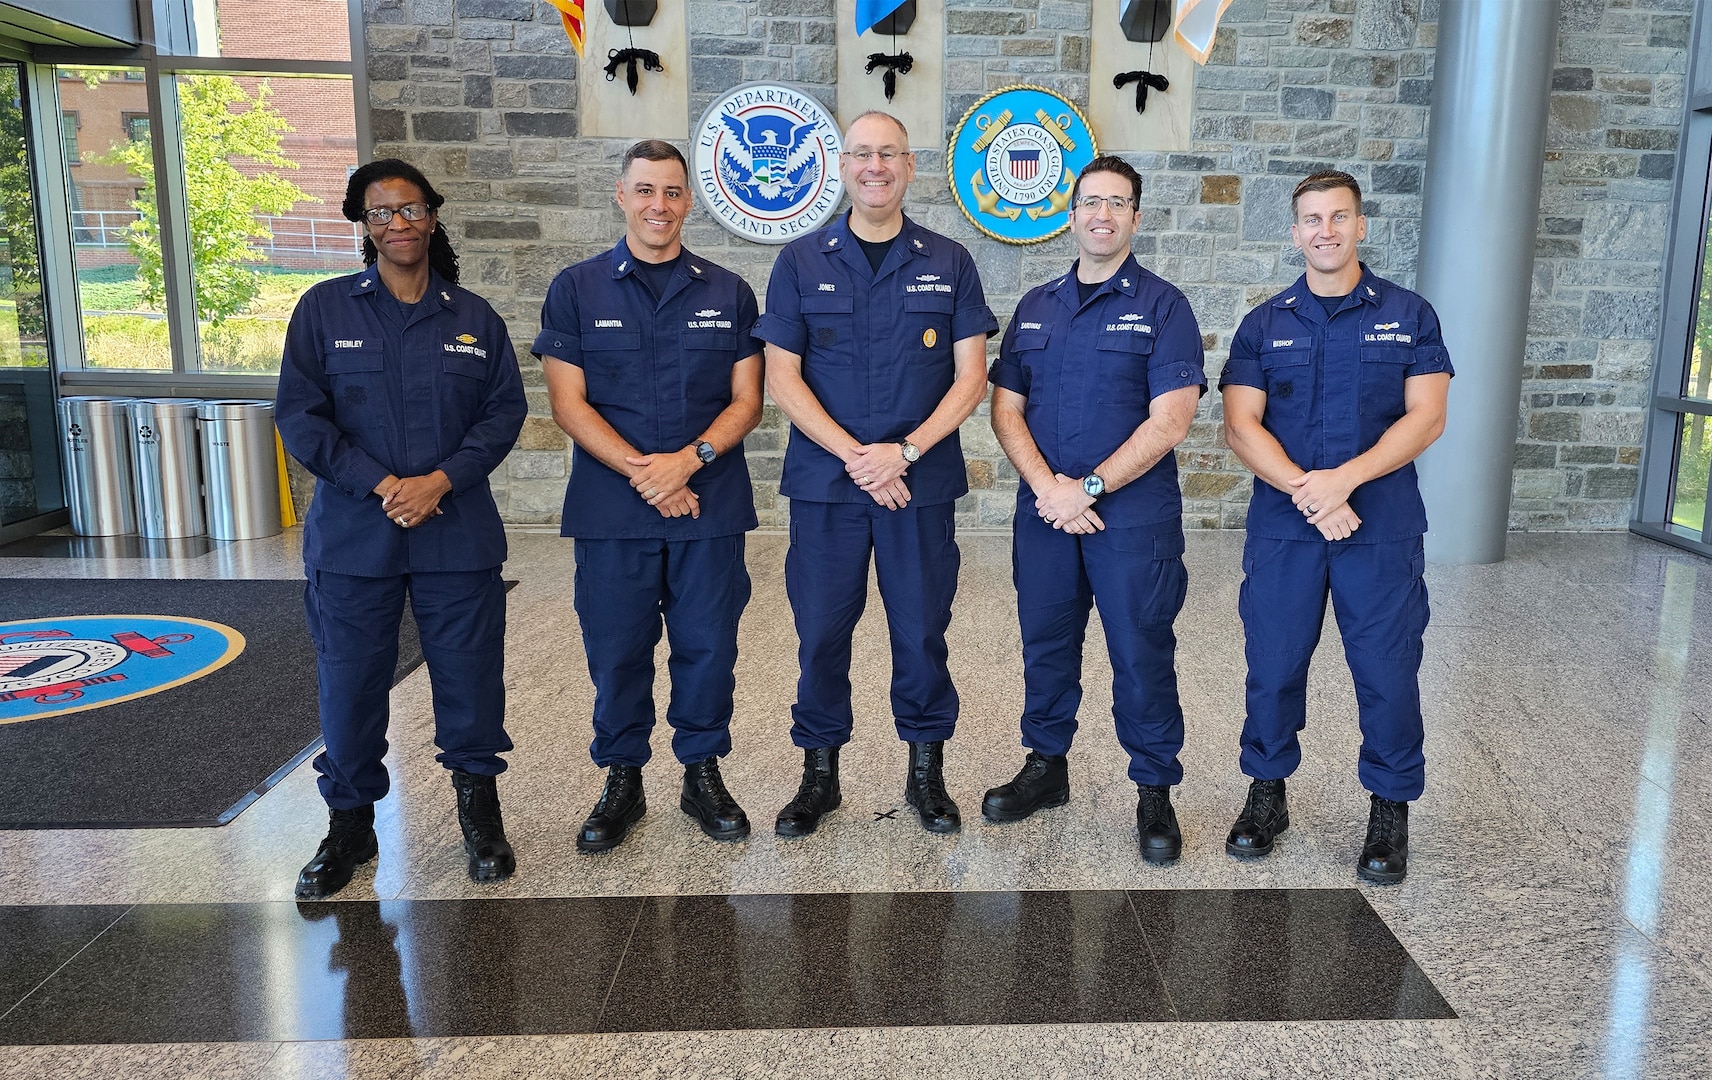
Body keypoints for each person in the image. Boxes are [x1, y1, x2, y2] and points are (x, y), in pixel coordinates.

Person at [278, 159, 527, 899]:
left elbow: (502, 414)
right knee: (350, 685)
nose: (398, 224)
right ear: (364, 225)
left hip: (457, 534)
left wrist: (439, 481)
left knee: (471, 679)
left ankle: (480, 816)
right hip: (357, 538)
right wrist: (387, 485)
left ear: (432, 216)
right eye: (381, 213)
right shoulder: (324, 311)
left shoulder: (474, 318)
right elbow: (301, 417)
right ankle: (349, 825)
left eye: (410, 209)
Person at [757, 110, 998, 836]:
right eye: (861, 154)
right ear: (840, 165)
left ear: (909, 166)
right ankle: (819, 776)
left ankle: (926, 776)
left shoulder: (949, 260)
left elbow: (970, 378)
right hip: (828, 488)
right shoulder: (799, 261)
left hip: (917, 486)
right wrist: (858, 458)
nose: (875, 166)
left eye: (888, 153)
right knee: (822, 632)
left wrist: (905, 452)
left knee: (922, 631)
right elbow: (783, 378)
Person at [1218, 170, 1452, 884]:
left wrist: (1345, 481)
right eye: (1312, 219)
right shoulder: (1264, 324)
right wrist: (1309, 490)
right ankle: (1267, 795)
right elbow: (1239, 426)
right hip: (1286, 529)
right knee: (1274, 666)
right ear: (1295, 233)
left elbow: (1428, 416)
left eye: (1338, 217)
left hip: (1379, 527)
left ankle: (1389, 809)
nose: (1325, 230)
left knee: (1385, 672)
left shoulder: (1410, 315)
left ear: (1361, 226)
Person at [536, 140, 764, 853]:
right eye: (644, 191)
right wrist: (649, 474)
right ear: (620, 194)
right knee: (618, 649)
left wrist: (687, 463)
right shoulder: (575, 289)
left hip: (710, 505)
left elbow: (747, 400)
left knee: (708, 647)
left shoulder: (729, 291)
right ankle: (623, 780)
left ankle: (701, 773)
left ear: (688, 201)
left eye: (671, 192)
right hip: (613, 513)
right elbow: (568, 405)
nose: (657, 206)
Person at [981, 156, 1204, 863]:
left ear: (1135, 217)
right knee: (1045, 642)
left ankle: (1153, 788)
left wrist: (1089, 488)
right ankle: (1047, 766)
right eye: (1090, 202)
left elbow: (1171, 420)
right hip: (1045, 512)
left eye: (1117, 203)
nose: (1102, 214)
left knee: (1140, 650)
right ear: (1070, 215)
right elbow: (1005, 407)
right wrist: (1051, 489)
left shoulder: (1165, 307)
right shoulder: (1036, 307)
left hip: (1131, 520)